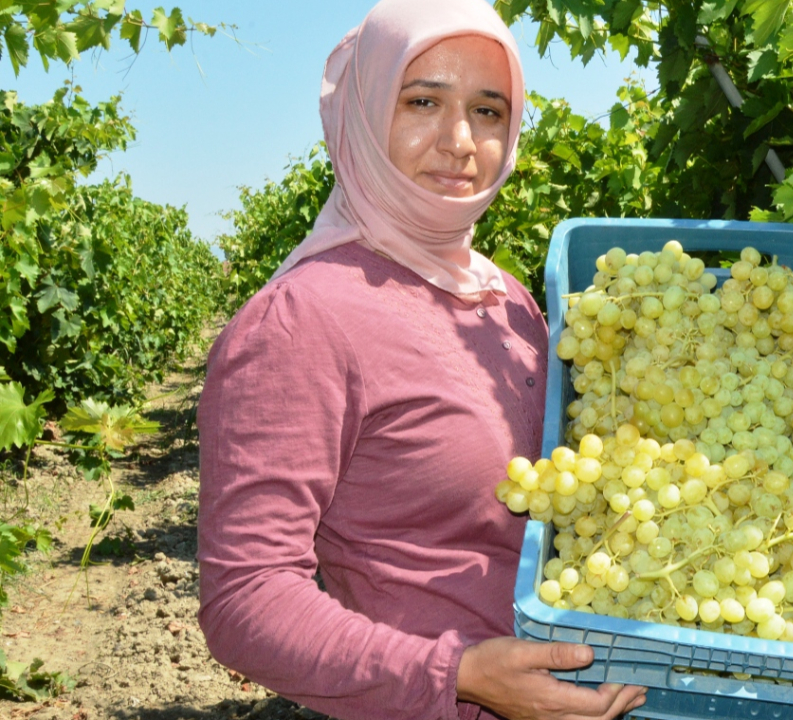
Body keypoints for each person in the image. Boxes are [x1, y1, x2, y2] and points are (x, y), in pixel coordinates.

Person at [196, 2, 647, 719]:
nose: (460, 141)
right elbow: (245, 599)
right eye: (423, 102)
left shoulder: (509, 300)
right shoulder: (301, 321)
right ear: (364, 111)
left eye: (488, 111)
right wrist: (458, 674)